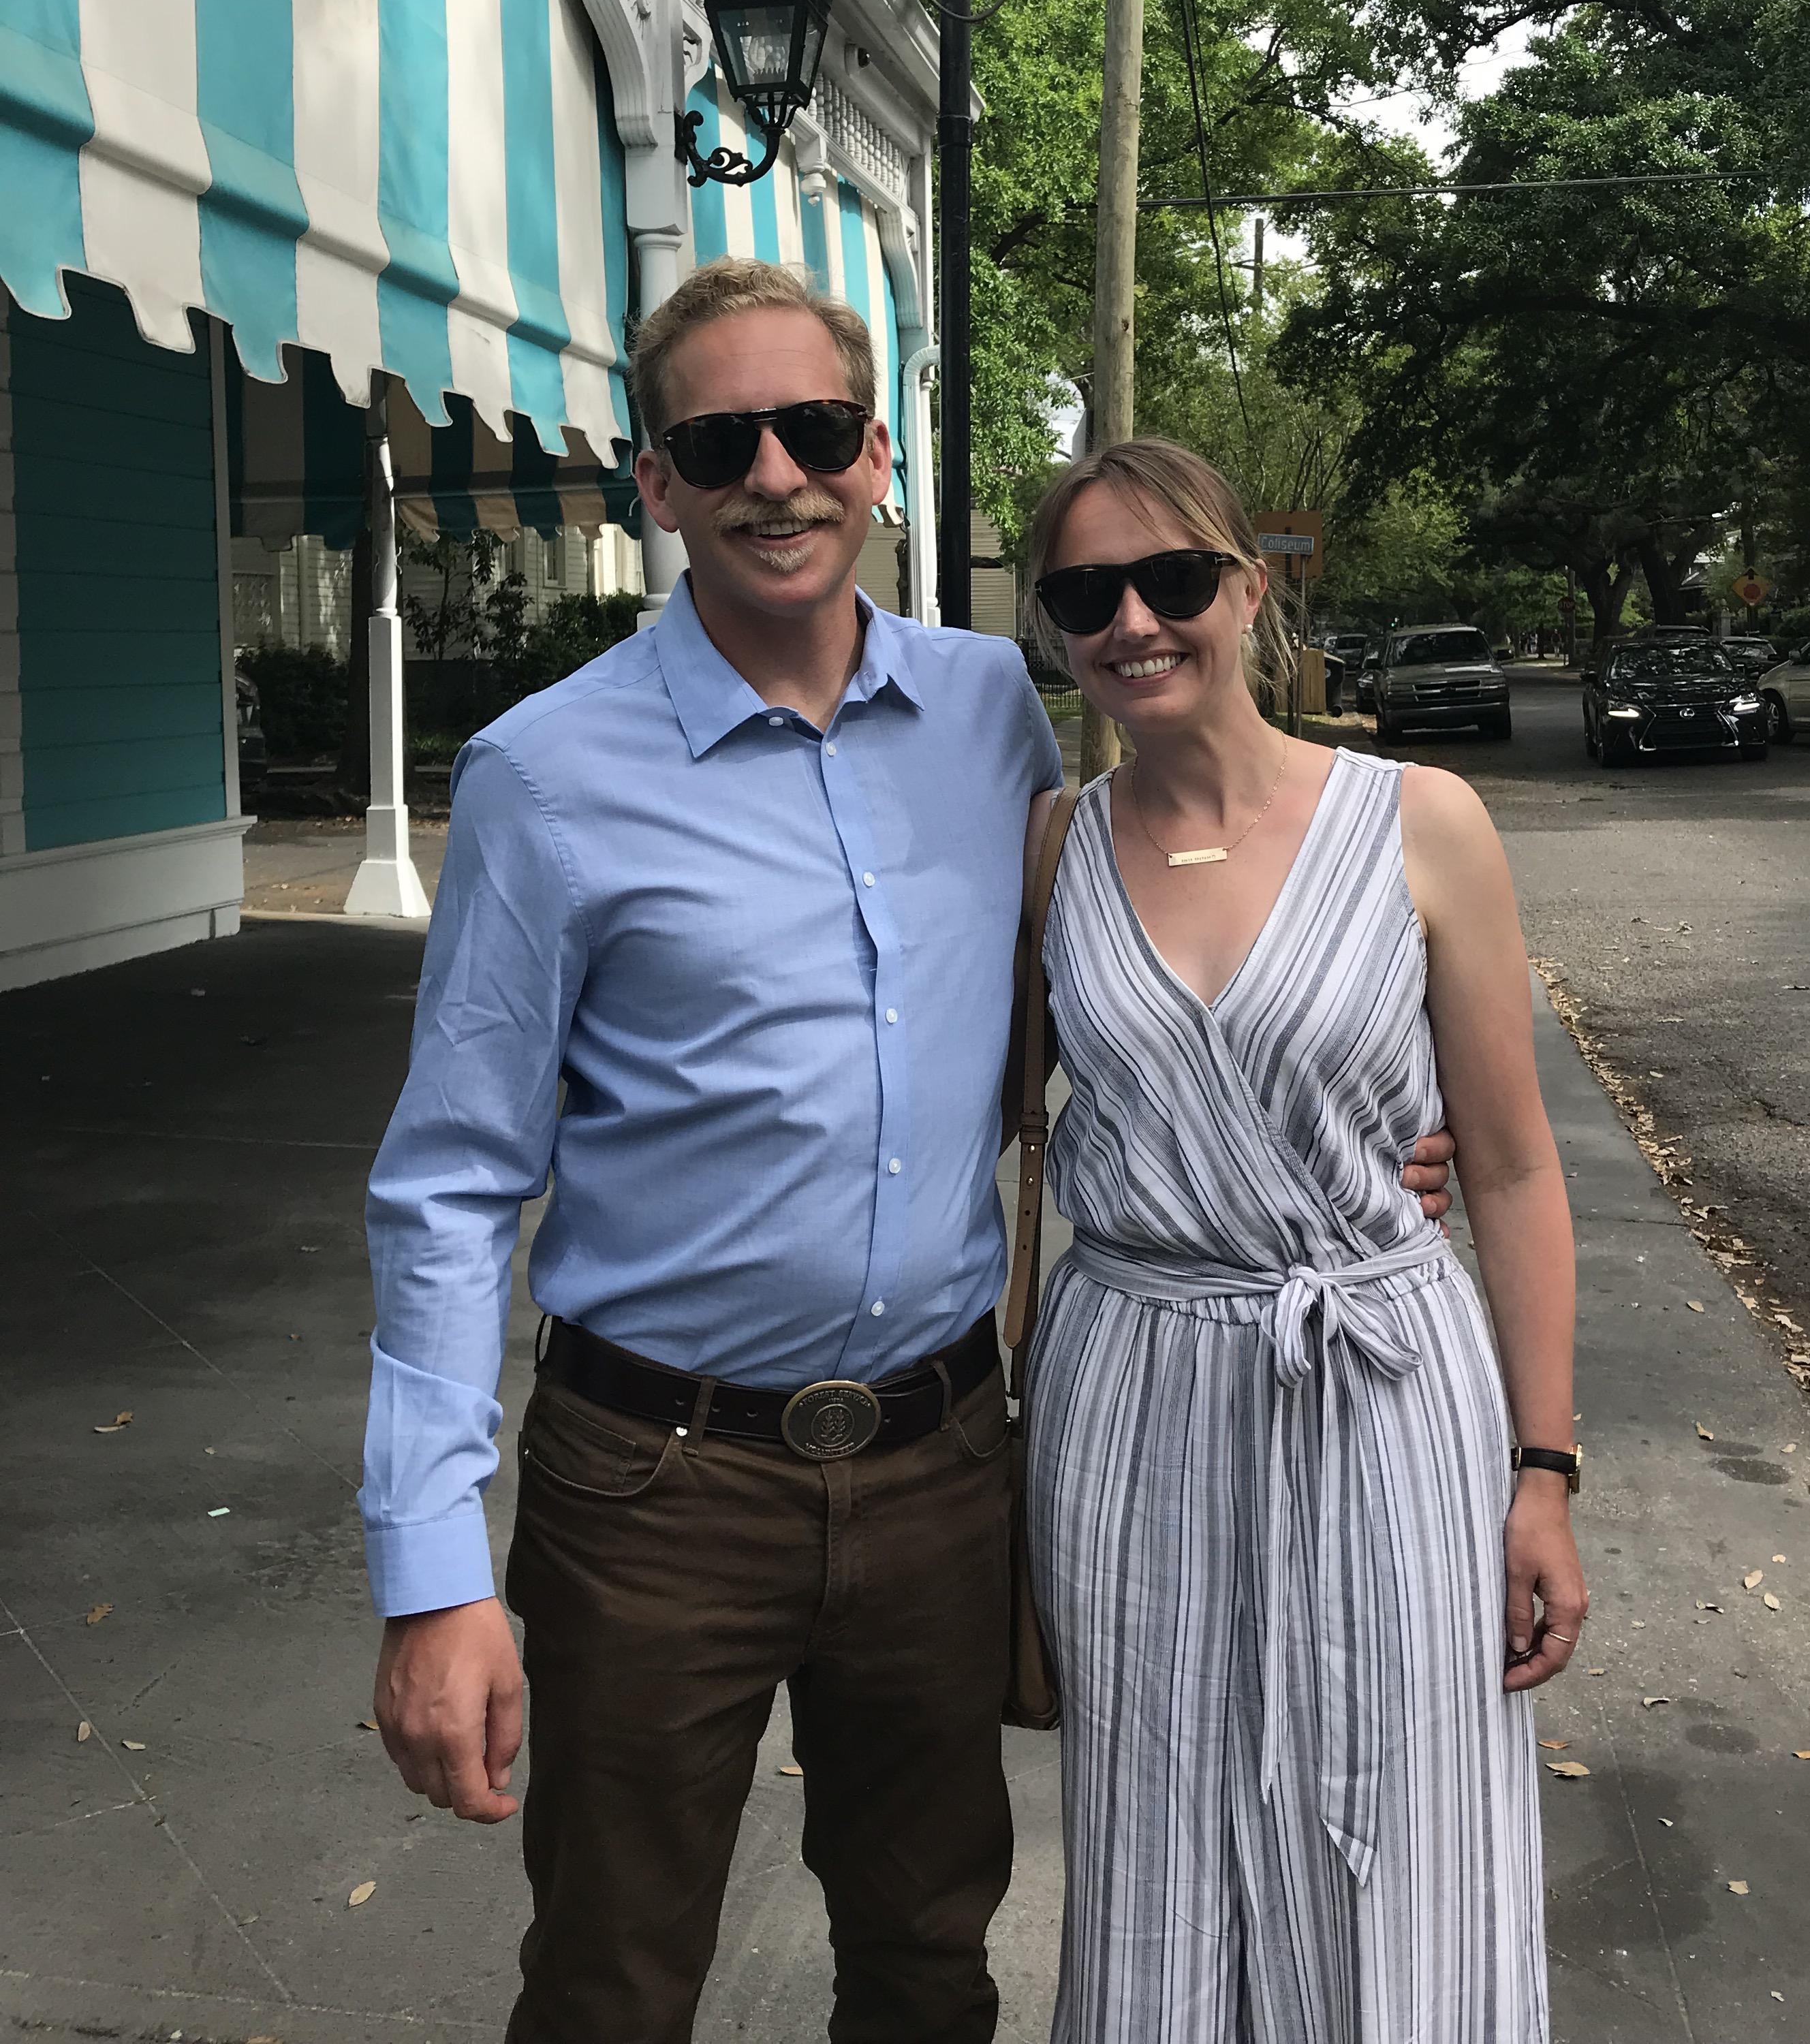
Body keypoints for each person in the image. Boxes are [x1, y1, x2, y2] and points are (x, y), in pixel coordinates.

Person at [356, 254, 1458, 2041]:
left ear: (880, 457)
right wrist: (430, 1574)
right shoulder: (542, 778)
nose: (772, 476)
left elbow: (1093, 1020)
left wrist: (1343, 1151)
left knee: (932, 1962)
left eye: (812, 431)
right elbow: (451, 1183)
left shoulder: (988, 717)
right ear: (658, 483)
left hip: (950, 1469)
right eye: (721, 441)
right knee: (613, 1980)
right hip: (657, 1492)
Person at [1020, 439, 1584, 2041]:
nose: (1133, 618)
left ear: (1248, 593)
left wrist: (1545, 1473)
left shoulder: (1425, 821)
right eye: (1085, 593)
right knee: (1155, 1850)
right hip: (1131, 1400)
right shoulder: (1055, 848)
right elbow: (975, 1110)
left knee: (1406, 1833)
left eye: (1173, 579)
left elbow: (1518, 1171)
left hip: (1383, 1387)